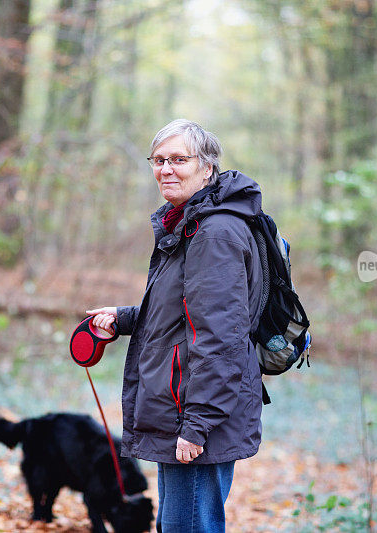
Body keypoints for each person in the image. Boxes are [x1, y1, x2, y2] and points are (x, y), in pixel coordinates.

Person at [86, 119, 263, 533]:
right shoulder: (190, 223)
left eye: (179, 159)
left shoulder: (213, 233)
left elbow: (221, 338)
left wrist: (198, 424)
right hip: (185, 409)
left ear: (207, 167)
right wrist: (125, 318)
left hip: (197, 416)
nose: (166, 169)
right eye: (159, 160)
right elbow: (186, 313)